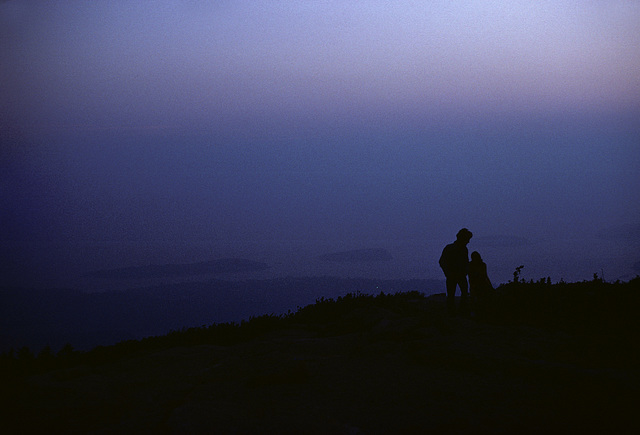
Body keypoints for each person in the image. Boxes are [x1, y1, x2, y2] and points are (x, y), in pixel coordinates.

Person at [439, 228, 473, 316]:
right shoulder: (450, 248)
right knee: (451, 294)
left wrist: (466, 270)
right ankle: (451, 313)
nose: (468, 242)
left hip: (461, 275)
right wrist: (448, 273)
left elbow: (466, 261)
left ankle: (462, 311)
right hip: (452, 275)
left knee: (464, 293)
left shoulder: (464, 249)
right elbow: (442, 261)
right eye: (467, 239)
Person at [468, 251, 494, 317]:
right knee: (475, 299)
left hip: (481, 284)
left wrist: (490, 285)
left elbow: (485, 275)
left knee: (480, 299)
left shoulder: (482, 265)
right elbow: (470, 276)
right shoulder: (471, 265)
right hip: (475, 284)